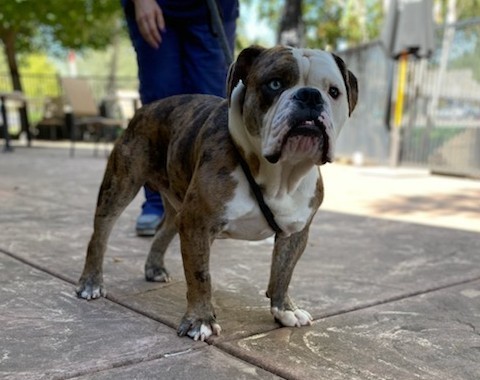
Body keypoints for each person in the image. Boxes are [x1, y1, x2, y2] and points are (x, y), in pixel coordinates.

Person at [121, 0, 238, 236]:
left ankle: (214, 203)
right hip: (156, 7)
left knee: (214, 108)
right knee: (159, 107)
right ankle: (157, 204)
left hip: (213, 9)